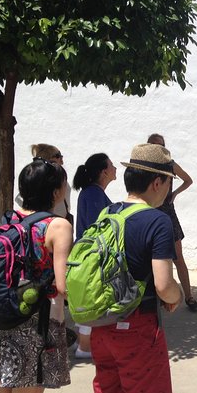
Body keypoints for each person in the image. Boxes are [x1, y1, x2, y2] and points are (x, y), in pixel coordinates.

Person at [90, 143, 183, 393]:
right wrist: (177, 296)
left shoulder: (107, 213)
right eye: (168, 183)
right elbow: (164, 286)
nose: (168, 189)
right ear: (157, 183)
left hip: (103, 326)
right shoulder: (157, 220)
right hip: (137, 329)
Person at [0, 158, 73, 393]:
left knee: (0, 388)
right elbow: (62, 286)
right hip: (36, 320)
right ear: (55, 192)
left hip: (2, 313)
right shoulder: (58, 226)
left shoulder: (9, 220)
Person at [71, 153, 117, 359]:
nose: (115, 168)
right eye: (112, 165)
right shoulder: (94, 194)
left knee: (87, 297)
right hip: (92, 255)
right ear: (104, 172)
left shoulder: (91, 192)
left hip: (87, 253)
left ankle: (83, 344)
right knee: (91, 298)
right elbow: (98, 228)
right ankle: (84, 347)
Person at [146, 133, 197, 311]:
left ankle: (189, 296)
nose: (157, 148)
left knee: (178, 257)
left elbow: (188, 180)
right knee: (150, 259)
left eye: (160, 145)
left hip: (167, 213)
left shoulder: (170, 164)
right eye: (153, 145)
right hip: (149, 212)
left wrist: (174, 194)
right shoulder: (144, 164)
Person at [14, 143, 72, 220]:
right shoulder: (37, 178)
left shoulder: (32, 175)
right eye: (59, 156)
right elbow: (20, 199)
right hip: (46, 222)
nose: (62, 162)